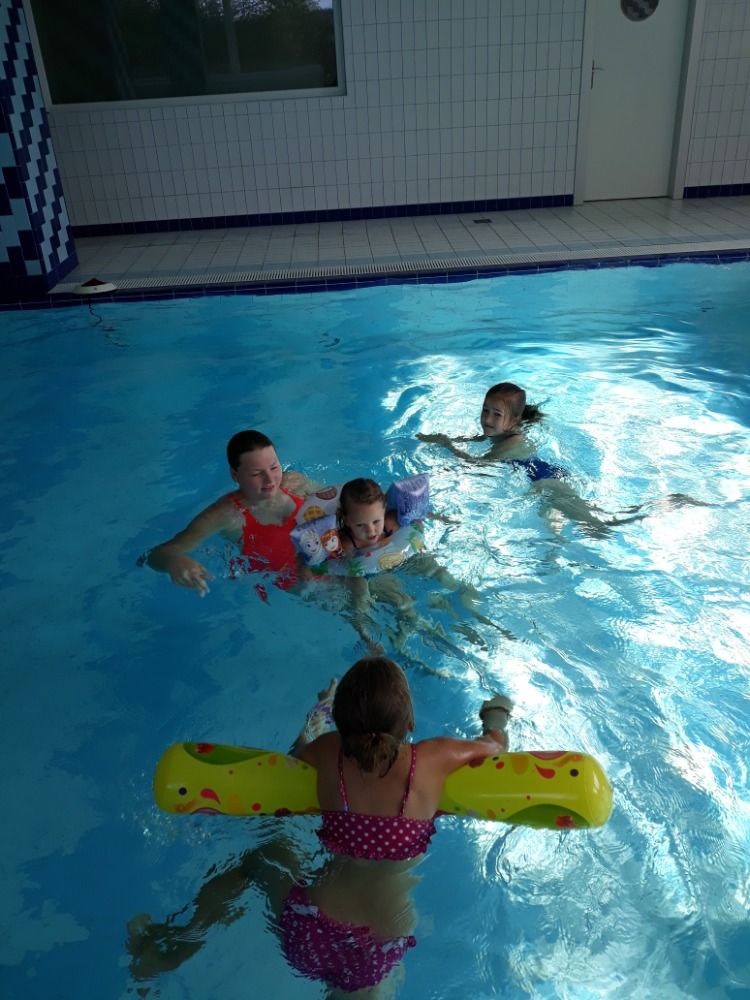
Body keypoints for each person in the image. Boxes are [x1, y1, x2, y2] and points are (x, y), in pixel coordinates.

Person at [127, 658, 512, 994]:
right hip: (378, 948)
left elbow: (294, 759)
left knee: (260, 859)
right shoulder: (435, 758)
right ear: (409, 722)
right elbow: (495, 745)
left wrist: (319, 711)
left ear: (341, 725)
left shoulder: (327, 752)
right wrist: (496, 713)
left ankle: (175, 947)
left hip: (309, 930)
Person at [144, 430, 318, 596]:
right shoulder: (227, 515)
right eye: (256, 474)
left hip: (324, 554)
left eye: (274, 467)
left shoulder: (296, 483)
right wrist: (173, 562)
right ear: (235, 475)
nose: (270, 480)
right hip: (300, 582)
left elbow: (332, 502)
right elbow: (155, 555)